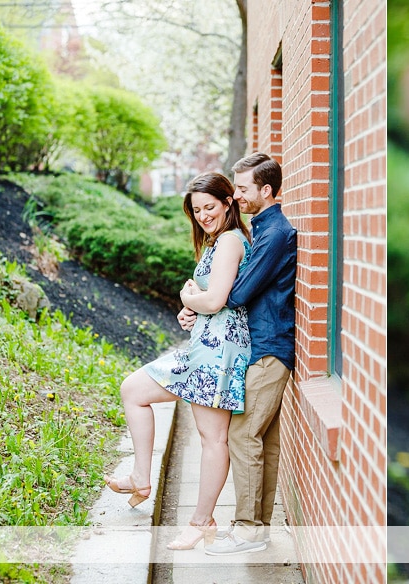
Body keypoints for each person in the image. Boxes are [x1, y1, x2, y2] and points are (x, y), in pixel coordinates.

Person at [104, 172, 252, 551]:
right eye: (197, 209)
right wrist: (190, 311)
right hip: (202, 344)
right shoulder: (214, 243)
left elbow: (216, 299)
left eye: (210, 207)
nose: (203, 215)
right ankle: (140, 476)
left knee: (212, 437)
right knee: (134, 389)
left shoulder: (232, 241)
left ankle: (202, 521)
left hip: (221, 350)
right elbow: (207, 300)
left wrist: (191, 301)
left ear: (228, 203)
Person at [179, 152, 298, 556]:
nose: (239, 196)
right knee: (262, 438)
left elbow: (240, 292)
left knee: (243, 433)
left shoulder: (275, 233)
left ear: (266, 190)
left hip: (269, 348)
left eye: (244, 189)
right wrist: (199, 299)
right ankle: (256, 528)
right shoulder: (261, 229)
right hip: (262, 346)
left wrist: (195, 296)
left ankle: (248, 531)